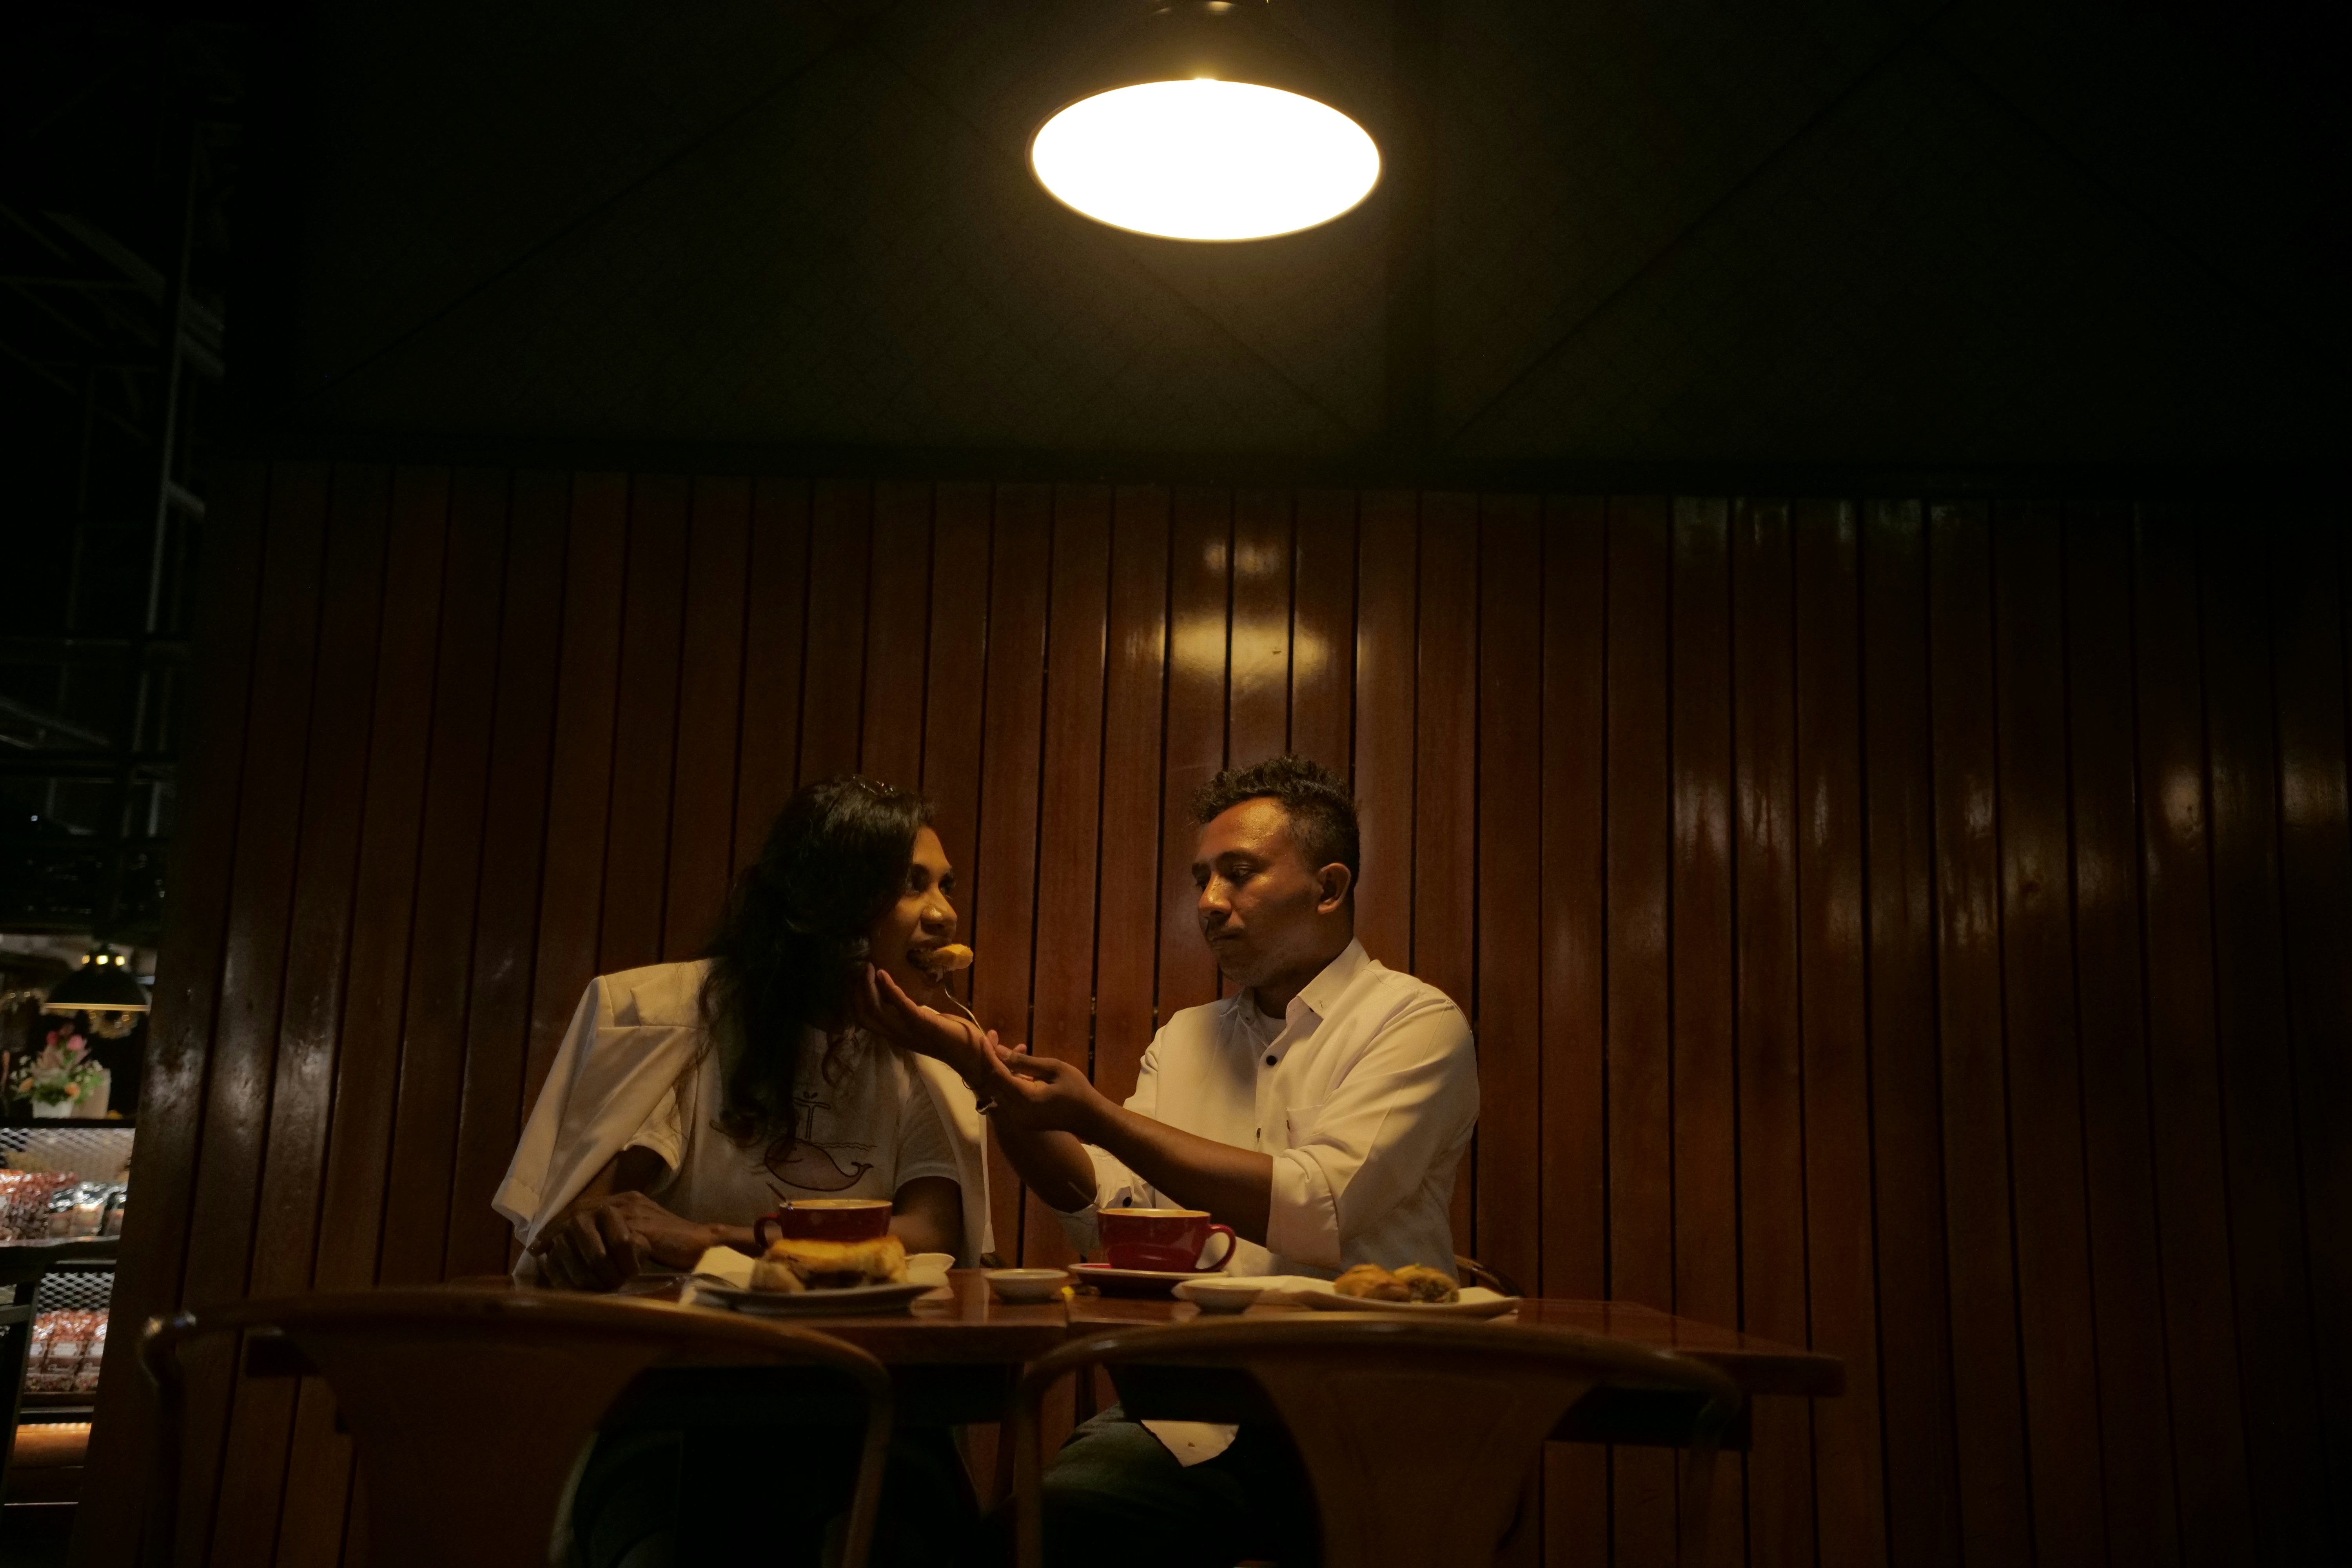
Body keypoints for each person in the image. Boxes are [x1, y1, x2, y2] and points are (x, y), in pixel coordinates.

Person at [860, 754, 1478, 1568]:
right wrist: (987, 1074)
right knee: (1016, 1544)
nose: (1209, 903)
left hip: (1368, 1419)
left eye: (1240, 873)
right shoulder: (1186, 1036)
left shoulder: (1415, 1021)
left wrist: (1099, 1116)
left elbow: (1319, 1207)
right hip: (1194, 1417)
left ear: (1329, 888)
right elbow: (1107, 1216)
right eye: (1202, 877)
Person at [494, 773, 993, 1568]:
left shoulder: (924, 1050)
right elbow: (601, 1211)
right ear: (829, 899)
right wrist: (591, 1234)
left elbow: (928, 1232)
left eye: (947, 885)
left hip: (872, 1405)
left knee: (894, 1539)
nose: (945, 912)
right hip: (680, 1408)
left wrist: (708, 1241)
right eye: (912, 884)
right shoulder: (674, 1019)